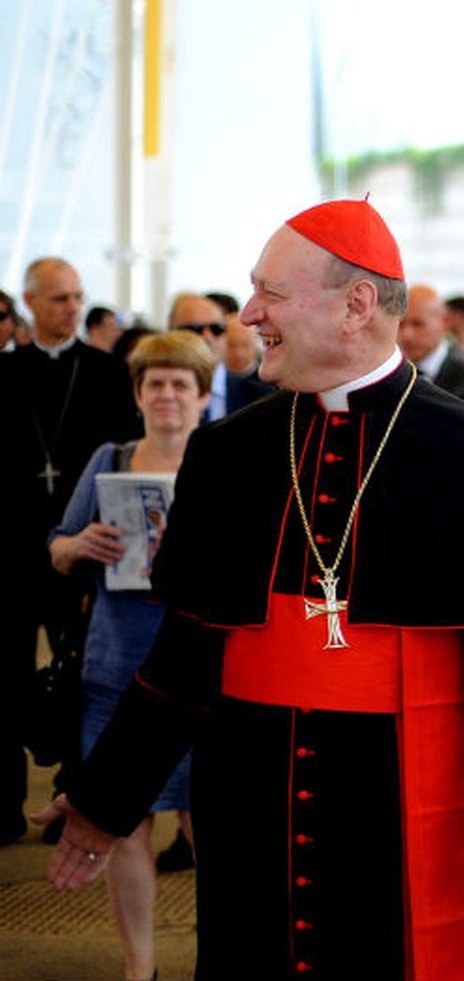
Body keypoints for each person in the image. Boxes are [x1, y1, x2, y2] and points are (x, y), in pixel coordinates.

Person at [35, 200, 464, 980]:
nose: (249, 313)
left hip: (401, 818)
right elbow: (183, 659)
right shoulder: (228, 452)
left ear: (356, 304)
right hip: (249, 807)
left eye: (271, 293)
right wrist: (103, 800)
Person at [47, 330, 214, 981]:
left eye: (181, 384)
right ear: (139, 393)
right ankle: (138, 968)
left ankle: (217, 956)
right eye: (156, 383)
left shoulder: (222, 461)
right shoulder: (109, 457)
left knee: (211, 829)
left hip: (204, 674)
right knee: (123, 824)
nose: (167, 394)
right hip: (114, 672)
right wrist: (80, 543)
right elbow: (57, 549)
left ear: (202, 396)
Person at [0, 258, 141, 845]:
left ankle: (74, 796)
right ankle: (5, 804)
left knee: (79, 676)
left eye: (78, 297)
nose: (72, 308)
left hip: (79, 542)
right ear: (30, 301)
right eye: (59, 298)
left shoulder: (108, 372)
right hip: (9, 544)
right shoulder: (4, 372)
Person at [168, 292, 273, 421]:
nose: (207, 337)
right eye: (195, 329)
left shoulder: (261, 399)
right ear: (170, 334)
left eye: (216, 328)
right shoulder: (151, 396)